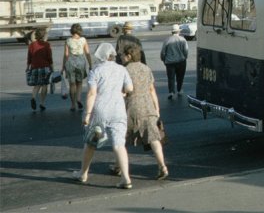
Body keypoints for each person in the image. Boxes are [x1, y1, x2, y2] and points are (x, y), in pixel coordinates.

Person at [72, 43, 134, 189]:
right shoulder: (122, 69)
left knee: (91, 143)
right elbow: (130, 88)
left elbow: (92, 93)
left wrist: (87, 114)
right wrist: (122, 93)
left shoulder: (96, 70)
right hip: (118, 110)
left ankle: (83, 173)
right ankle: (126, 178)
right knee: (119, 144)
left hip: (100, 110)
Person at [123, 44, 168, 180]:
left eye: (123, 55)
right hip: (148, 106)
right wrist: (157, 108)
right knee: (154, 138)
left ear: (129, 56)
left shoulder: (125, 70)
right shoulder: (146, 68)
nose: (122, 57)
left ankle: (118, 166)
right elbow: (151, 90)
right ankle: (162, 167)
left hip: (132, 107)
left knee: (122, 139)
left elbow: (125, 91)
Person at [62, 23, 92, 112]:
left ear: (71, 31)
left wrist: (63, 67)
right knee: (79, 83)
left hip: (70, 62)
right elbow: (87, 53)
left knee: (72, 84)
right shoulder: (83, 40)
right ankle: (78, 99)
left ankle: (73, 104)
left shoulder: (68, 41)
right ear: (80, 30)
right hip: (81, 63)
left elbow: (66, 55)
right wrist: (90, 65)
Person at [26, 27, 53, 112]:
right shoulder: (47, 44)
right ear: (44, 35)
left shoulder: (31, 45)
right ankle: (42, 103)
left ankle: (33, 98)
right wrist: (52, 67)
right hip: (45, 67)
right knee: (44, 85)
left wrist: (27, 66)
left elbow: (29, 57)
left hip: (34, 67)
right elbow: (49, 58)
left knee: (37, 85)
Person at [160, 24, 189, 100]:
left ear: (172, 32)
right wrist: (185, 57)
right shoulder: (182, 39)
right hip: (181, 61)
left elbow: (163, 52)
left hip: (170, 62)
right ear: (178, 32)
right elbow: (186, 51)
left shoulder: (167, 40)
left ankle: (171, 92)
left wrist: (163, 59)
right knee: (180, 77)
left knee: (171, 78)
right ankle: (179, 90)